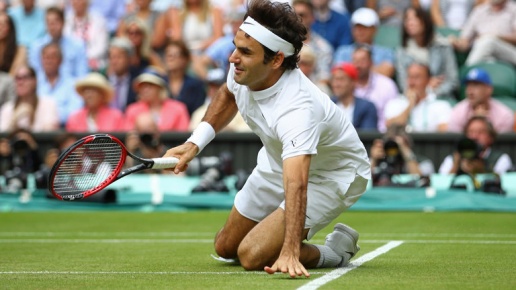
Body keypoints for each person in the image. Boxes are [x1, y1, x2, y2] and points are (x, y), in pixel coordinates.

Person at [163, 0, 371, 278]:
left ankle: (336, 252)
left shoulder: (299, 108)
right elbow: (228, 94)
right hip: (277, 164)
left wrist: (290, 250)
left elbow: (297, 184)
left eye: (245, 52)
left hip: (332, 176)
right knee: (226, 247)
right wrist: (194, 144)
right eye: (236, 46)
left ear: (275, 60)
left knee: (252, 255)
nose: (232, 58)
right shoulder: (244, 68)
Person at [395, 7, 458, 99]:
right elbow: (403, 84)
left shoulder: (443, 46)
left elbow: (453, 81)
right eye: (407, 19)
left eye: (415, 19)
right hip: (413, 99)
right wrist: (425, 88)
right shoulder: (401, 52)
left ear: (425, 21)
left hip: (440, 97)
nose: (410, 23)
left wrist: (432, 93)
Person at [385, 62, 452, 132]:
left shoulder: (441, 106)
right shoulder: (395, 103)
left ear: (428, 80)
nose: (412, 82)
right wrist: (410, 106)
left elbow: (444, 133)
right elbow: (390, 129)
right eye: (409, 77)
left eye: (417, 77)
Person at [439, 115, 513, 175]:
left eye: (480, 132)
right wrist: (456, 166)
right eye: (471, 132)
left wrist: (481, 170)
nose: (474, 137)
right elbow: (441, 184)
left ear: (490, 137)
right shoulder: (452, 158)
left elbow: (502, 184)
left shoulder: (501, 159)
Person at [450, 0, 516, 66]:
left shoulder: (513, 9)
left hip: (510, 51)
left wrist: (494, 37)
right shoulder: (479, 11)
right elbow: (465, 42)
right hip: (482, 50)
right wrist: (457, 43)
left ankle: (468, 70)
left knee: (488, 41)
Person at [333, 7, 395, 78]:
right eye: (357, 27)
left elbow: (386, 73)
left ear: (375, 29)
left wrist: (351, 70)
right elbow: (339, 76)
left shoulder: (386, 52)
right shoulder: (342, 52)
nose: (360, 31)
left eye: (365, 27)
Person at [447, 68, 514, 133]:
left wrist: (483, 122)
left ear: (489, 89)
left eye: (475, 85)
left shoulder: (504, 115)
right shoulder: (458, 112)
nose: (470, 90)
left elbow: (499, 143)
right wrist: (474, 120)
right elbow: (456, 142)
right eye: (468, 85)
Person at [29, 6, 89, 79]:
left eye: (55, 22)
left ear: (63, 22)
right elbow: (35, 75)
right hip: (43, 88)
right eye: (49, 23)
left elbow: (82, 75)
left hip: (72, 87)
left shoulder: (78, 46)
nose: (52, 27)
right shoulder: (36, 47)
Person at [125, 68, 190, 131]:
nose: (145, 90)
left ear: (160, 87)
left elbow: (184, 136)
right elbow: (127, 135)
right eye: (142, 86)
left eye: (150, 85)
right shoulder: (132, 110)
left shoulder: (178, 108)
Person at [352, 44, 399, 132]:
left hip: (381, 135)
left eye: (362, 60)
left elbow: (393, 116)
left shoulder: (387, 85)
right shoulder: (347, 86)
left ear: (371, 62)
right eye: (355, 61)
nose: (358, 65)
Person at [370, 124, 435, 186]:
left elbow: (421, 182)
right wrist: (373, 160)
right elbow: (364, 183)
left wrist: (406, 153)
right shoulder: (381, 162)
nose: (395, 149)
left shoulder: (423, 162)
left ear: (408, 144)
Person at [36, 42, 83, 127]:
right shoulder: (34, 82)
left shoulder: (72, 84)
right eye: (45, 58)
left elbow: (74, 112)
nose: (48, 61)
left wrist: (51, 118)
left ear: (61, 61)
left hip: (64, 129)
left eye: (52, 57)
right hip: (38, 128)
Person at [152, 0, 224, 55]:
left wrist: (199, 47)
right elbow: (177, 39)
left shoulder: (214, 10)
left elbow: (218, 38)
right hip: (187, 54)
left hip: (209, 54)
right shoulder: (178, 12)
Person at [0, 65, 59, 132]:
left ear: (35, 81)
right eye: (17, 78)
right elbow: (3, 136)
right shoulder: (7, 108)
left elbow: (49, 133)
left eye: (25, 78)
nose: (20, 82)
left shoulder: (48, 104)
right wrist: (14, 120)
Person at [189, 68, 250, 132]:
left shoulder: (243, 109)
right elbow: (192, 135)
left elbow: (249, 134)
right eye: (211, 86)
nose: (213, 90)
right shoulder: (199, 112)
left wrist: (226, 130)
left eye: (217, 86)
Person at [292, 0, 333, 90]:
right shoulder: (282, 43)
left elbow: (324, 78)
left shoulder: (323, 47)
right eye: (294, 15)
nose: (297, 19)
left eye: (302, 15)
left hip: (313, 91)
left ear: (312, 18)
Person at [63, 0, 110, 71]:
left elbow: (101, 47)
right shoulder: (65, 20)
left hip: (93, 61)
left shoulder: (99, 20)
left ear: (87, 2)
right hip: (70, 60)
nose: (78, 2)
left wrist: (83, 57)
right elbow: (64, 44)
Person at [164, 40, 206, 116]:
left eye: (175, 55)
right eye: (168, 55)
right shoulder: (160, 82)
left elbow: (198, 111)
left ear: (185, 60)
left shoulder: (195, 85)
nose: (170, 59)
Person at [330, 62, 378, 131]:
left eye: (341, 79)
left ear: (353, 82)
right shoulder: (327, 105)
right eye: (334, 79)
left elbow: (368, 135)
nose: (337, 84)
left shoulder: (367, 107)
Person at [104, 37, 138, 112]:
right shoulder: (104, 82)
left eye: (119, 57)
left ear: (129, 59)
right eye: (112, 57)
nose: (114, 61)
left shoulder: (136, 81)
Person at [0, 11, 27, 76]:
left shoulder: (20, 50)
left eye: (3, 25)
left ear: (10, 28)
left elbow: (15, 74)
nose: (0, 28)